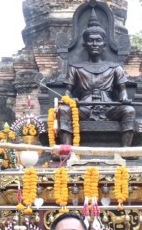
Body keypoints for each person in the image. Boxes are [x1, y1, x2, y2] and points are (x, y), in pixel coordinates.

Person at [57, 9, 136, 148]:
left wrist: (124, 98)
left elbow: (122, 90)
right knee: (64, 110)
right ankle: (67, 151)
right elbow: (68, 91)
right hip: (83, 107)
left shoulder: (115, 67)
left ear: (104, 44)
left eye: (98, 40)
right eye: (91, 41)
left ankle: (126, 151)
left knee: (129, 110)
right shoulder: (76, 67)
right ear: (85, 44)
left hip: (109, 107)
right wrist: (70, 99)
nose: (94, 44)